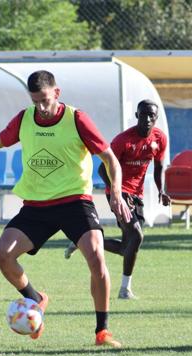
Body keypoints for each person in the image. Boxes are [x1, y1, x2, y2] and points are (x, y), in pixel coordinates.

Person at [0, 70, 131, 348]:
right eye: (35, 102)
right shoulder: (25, 118)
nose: (41, 108)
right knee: (2, 255)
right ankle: (36, 299)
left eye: (45, 100)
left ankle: (102, 332)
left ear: (57, 93)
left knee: (96, 259)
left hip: (74, 201)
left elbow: (109, 158)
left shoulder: (77, 119)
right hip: (37, 206)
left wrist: (116, 192)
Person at [64, 100, 170, 300]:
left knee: (126, 247)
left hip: (136, 196)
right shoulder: (123, 140)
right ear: (137, 115)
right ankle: (125, 290)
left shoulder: (159, 139)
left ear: (156, 118)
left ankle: (82, 242)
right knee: (137, 236)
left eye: (152, 116)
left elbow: (158, 167)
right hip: (118, 193)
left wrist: (161, 190)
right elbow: (102, 169)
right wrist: (117, 193)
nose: (147, 119)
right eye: (144, 114)